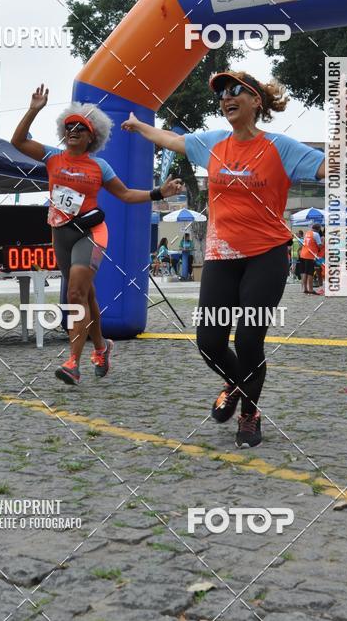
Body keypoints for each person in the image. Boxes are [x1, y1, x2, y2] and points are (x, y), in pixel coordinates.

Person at [122, 70, 325, 448]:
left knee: (249, 341)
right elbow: (172, 139)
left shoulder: (280, 147)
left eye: (235, 91)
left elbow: (329, 168)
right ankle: (236, 383)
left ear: (255, 102)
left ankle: (249, 414)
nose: (226, 98)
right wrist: (138, 125)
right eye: (222, 94)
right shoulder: (213, 143)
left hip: (266, 256)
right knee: (209, 341)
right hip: (221, 256)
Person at [12, 86, 183, 386]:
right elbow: (18, 142)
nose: (74, 130)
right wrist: (34, 109)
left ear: (92, 137)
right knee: (86, 294)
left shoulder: (99, 166)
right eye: (69, 126)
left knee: (75, 294)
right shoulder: (53, 157)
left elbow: (127, 194)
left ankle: (72, 363)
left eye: (82, 127)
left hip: (90, 234)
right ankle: (102, 347)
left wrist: (159, 192)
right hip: (60, 233)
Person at [299, 223, 322, 295]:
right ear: (318, 229)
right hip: (310, 255)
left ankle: (305, 289)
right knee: (310, 273)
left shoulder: (307, 233)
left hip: (303, 254)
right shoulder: (316, 234)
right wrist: (323, 243)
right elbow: (319, 245)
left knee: (305, 272)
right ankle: (311, 289)